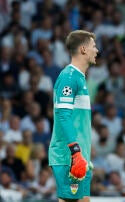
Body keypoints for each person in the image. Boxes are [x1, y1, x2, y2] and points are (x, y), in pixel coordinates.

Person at [48, 30, 98, 202]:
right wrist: (75, 152)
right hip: (69, 156)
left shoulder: (79, 78)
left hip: (80, 158)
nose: (96, 50)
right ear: (83, 49)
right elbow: (63, 116)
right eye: (93, 46)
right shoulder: (69, 77)